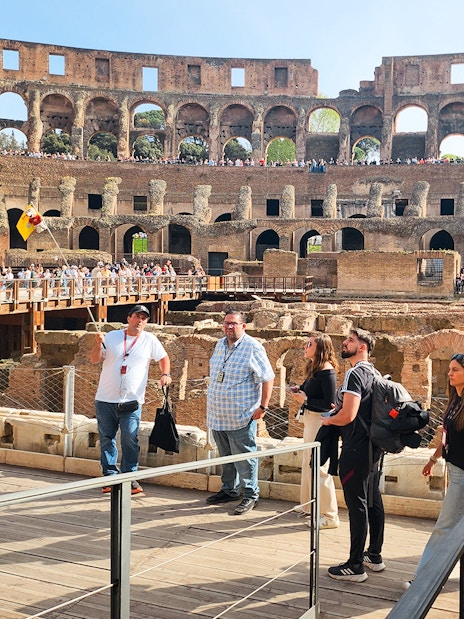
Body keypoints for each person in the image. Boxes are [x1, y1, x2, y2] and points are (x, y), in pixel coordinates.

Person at [321, 328, 385, 582]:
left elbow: (348, 415)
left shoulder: (354, 373)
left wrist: (329, 421)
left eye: (350, 340)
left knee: (357, 504)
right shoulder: (375, 373)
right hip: (373, 447)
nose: (344, 343)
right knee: (373, 500)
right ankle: (374, 556)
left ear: (362, 347)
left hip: (355, 447)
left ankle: (355, 565)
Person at [90, 304, 172, 495]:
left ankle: (129, 477)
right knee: (106, 439)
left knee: (130, 438)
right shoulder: (112, 336)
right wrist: (97, 343)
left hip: (132, 400)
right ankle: (110, 476)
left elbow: (163, 358)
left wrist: (165, 373)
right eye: (137, 316)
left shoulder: (150, 339)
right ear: (129, 318)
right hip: (105, 398)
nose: (140, 321)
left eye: (144, 318)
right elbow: (95, 359)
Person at [404, 352, 464, 589]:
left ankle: (424, 580)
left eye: (455, 370)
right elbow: (447, 437)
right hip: (454, 470)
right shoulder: (455, 400)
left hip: (461, 474)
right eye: (449, 369)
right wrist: (432, 459)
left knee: (444, 527)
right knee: (455, 527)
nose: (449, 373)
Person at [206, 308, 275, 515]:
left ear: (243, 326)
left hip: (241, 415)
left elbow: (267, 377)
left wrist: (263, 406)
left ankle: (250, 495)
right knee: (225, 457)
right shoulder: (219, 344)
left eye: (233, 323)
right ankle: (229, 490)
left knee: (245, 457)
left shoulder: (253, 347)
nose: (228, 327)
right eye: (226, 323)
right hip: (218, 415)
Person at [290, 333, 339, 529]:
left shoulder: (327, 372)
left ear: (320, 349)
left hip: (320, 422)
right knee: (307, 461)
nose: (305, 346)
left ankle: (329, 515)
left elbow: (330, 403)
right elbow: (309, 390)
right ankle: (309, 505)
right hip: (311, 420)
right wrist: (299, 390)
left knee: (319, 466)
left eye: (309, 344)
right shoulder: (315, 369)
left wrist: (306, 400)